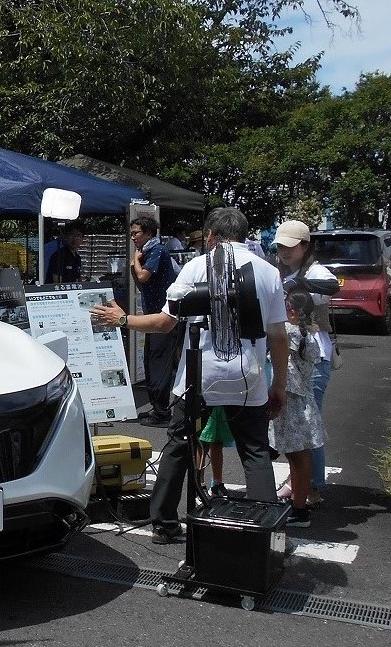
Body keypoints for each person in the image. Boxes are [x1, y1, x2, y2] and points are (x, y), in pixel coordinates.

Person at [91, 207, 288, 544]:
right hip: (249, 376)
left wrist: (122, 320)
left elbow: (165, 322)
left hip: (200, 374)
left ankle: (164, 524)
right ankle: (266, 534)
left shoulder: (197, 267)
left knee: (179, 445)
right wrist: (279, 384)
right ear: (243, 235)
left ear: (210, 236)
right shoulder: (269, 272)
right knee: (255, 451)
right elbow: (279, 336)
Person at [273, 219, 340, 507]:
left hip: (313, 358)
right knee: (295, 427)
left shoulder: (315, 271)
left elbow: (333, 286)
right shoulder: (279, 271)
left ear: (305, 246)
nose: (284, 251)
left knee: (308, 426)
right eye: (280, 246)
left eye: (291, 246)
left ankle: (312, 486)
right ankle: (297, 481)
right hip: (288, 359)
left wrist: (300, 283)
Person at [269, 289, 327, 528]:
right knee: (298, 457)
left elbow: (287, 377)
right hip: (303, 404)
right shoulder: (308, 336)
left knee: (297, 457)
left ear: (292, 312)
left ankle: (300, 509)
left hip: (291, 404)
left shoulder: (289, 334)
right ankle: (297, 503)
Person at [128, 216, 179, 426]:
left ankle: (162, 412)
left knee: (159, 363)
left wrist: (136, 260)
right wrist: (136, 263)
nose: (133, 237)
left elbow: (142, 277)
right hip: (153, 315)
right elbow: (140, 282)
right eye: (131, 234)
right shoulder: (147, 252)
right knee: (150, 362)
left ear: (148, 233)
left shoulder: (157, 250)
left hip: (163, 317)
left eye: (136, 233)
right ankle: (156, 408)